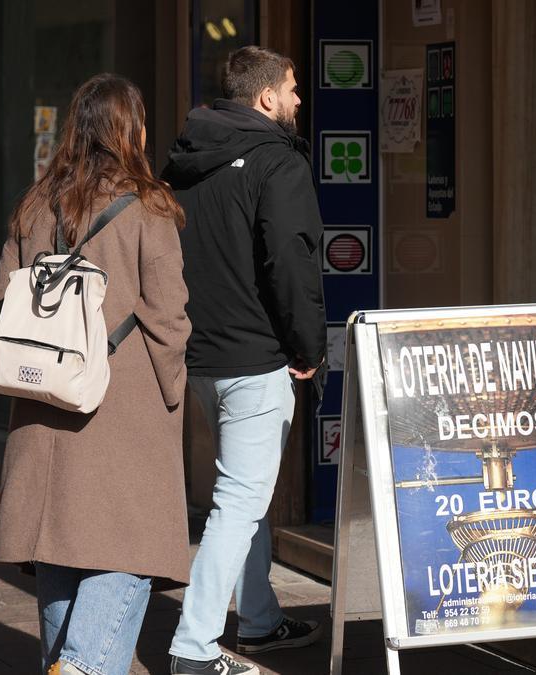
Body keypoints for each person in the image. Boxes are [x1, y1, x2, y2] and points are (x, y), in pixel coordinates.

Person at [0, 73, 191, 675]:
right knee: (130, 543)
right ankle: (83, 665)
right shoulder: (148, 206)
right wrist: (171, 388)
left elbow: (4, 298)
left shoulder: (33, 203)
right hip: (123, 397)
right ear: (131, 129)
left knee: (60, 543)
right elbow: (169, 312)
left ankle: (66, 663)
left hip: (42, 395)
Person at [162, 46, 327, 675]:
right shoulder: (276, 161)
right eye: (291, 88)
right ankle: (194, 647)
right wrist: (307, 346)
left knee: (241, 492)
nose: (298, 99)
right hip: (257, 357)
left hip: (197, 355)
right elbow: (292, 260)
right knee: (239, 502)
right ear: (265, 99)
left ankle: (257, 619)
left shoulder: (182, 162)